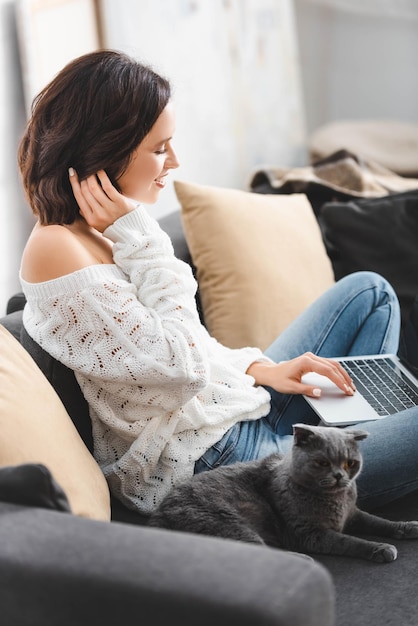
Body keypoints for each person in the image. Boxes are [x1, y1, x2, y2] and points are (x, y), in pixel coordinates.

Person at [18, 50, 418, 515]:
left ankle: (350, 455)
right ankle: (330, 492)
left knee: (369, 293)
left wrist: (259, 370)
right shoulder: (58, 250)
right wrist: (146, 241)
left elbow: (184, 350)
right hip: (225, 466)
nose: (175, 161)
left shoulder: (98, 230)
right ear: (104, 150)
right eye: (159, 148)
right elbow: (180, 368)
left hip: (226, 420)